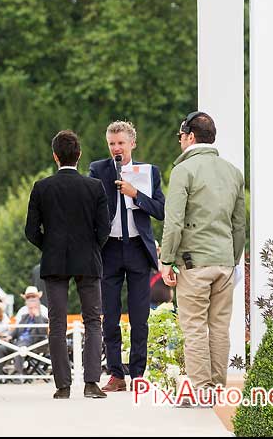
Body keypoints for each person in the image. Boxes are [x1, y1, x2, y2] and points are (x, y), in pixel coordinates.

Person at [159, 111, 245, 400]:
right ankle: (218, 388)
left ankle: (202, 391)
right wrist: (233, 260)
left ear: (190, 136)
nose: (180, 141)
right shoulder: (233, 172)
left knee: (194, 327)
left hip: (194, 264)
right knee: (219, 328)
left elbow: (174, 222)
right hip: (224, 262)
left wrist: (166, 260)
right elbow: (239, 224)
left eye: (180, 136)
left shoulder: (184, 171)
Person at [25, 130, 110, 399]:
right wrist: (92, 247)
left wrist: (48, 246)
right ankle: (92, 383)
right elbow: (104, 229)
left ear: (55, 156)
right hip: (88, 258)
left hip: (55, 259)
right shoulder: (95, 187)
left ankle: (62, 386)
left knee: (57, 323)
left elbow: (31, 230)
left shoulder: (42, 187)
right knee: (93, 321)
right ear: (79, 155)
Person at [89, 120, 165, 392]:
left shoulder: (149, 172)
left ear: (133, 143)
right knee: (110, 314)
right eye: (112, 144)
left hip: (137, 248)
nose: (116, 148)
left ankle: (139, 373)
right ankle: (116, 374)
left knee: (139, 316)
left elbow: (160, 209)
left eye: (121, 143)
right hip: (109, 249)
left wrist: (136, 195)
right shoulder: (98, 170)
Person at [0, 296, 49, 381]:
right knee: (1, 348)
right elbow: (17, 330)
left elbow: (42, 332)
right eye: (29, 308)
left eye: (33, 308)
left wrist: (37, 316)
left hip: (33, 344)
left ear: (38, 308)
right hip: (19, 342)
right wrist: (10, 336)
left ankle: (20, 374)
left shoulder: (43, 319)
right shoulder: (24, 317)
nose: (31, 310)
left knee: (20, 348)